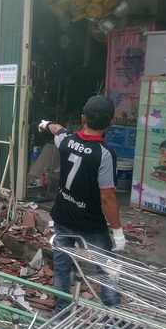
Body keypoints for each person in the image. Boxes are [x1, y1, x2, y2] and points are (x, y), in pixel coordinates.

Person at [38, 95, 125, 315]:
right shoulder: (104, 154)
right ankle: (113, 321)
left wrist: (46, 124)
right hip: (91, 226)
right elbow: (107, 197)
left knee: (61, 268)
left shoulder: (66, 140)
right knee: (106, 272)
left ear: (83, 118)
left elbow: (57, 129)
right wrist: (118, 231)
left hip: (63, 217)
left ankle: (61, 314)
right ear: (111, 123)